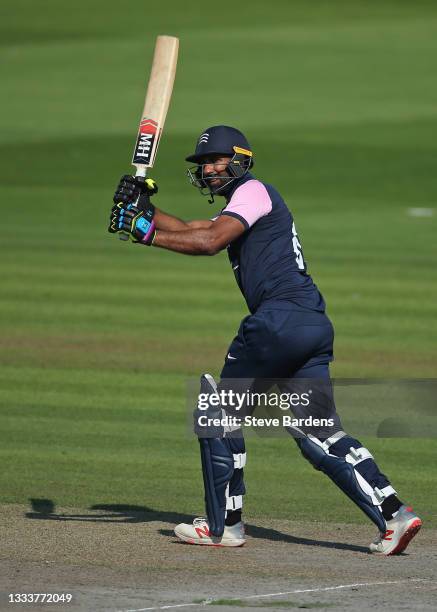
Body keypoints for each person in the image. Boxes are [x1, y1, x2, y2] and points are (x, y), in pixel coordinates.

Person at [108, 125, 422, 554]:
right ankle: (395, 516)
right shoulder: (244, 204)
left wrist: (144, 232)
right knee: (317, 430)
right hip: (310, 323)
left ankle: (224, 528)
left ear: (239, 160)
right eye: (203, 165)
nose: (208, 170)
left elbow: (208, 242)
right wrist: (143, 209)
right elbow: (193, 226)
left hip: (278, 320)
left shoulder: (256, 191)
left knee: (217, 409)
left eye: (215, 162)